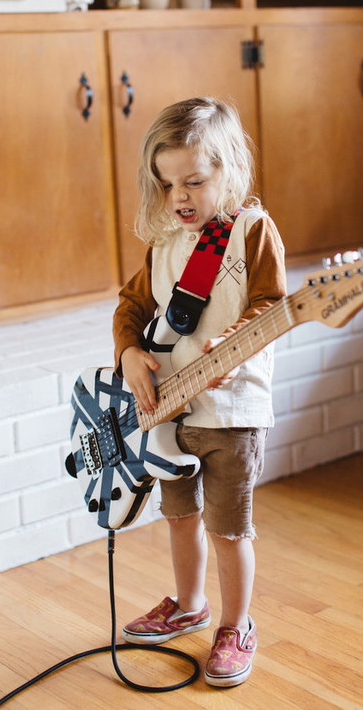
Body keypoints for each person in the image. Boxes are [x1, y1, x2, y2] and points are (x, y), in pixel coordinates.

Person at [112, 97, 287, 687]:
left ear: (230, 169)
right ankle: (190, 604)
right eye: (166, 184)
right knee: (180, 518)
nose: (179, 197)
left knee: (227, 527)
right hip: (167, 411)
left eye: (194, 180)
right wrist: (129, 353)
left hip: (231, 413)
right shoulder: (164, 243)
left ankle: (236, 626)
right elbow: (132, 307)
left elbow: (270, 305)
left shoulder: (251, 232)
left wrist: (240, 339)